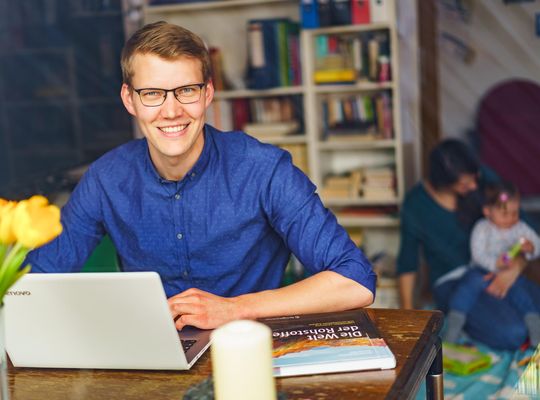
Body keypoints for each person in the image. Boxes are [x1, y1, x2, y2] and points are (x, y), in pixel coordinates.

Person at [26, 21, 376, 330]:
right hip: (153, 355)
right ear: (129, 100)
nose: (172, 110)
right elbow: (32, 282)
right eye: (152, 94)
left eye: (186, 90)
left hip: (251, 347)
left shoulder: (264, 169)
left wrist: (235, 309)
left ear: (207, 93)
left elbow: (355, 281)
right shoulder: (105, 179)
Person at [397, 138, 540, 350]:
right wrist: (407, 317)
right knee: (513, 332)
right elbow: (407, 263)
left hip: (499, 268)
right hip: (453, 280)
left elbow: (525, 226)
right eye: (465, 184)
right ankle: (461, 329)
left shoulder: (480, 178)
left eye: (475, 178)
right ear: (442, 181)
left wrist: (513, 269)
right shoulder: (416, 204)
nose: (474, 186)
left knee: (530, 309)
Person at [444, 181, 540, 346]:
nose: (511, 218)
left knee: (522, 294)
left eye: (515, 212)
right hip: (481, 271)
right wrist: (495, 266)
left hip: (510, 274)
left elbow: (537, 245)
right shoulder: (482, 228)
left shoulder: (520, 228)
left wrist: (531, 247)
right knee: (467, 287)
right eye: (505, 214)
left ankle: (534, 326)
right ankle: (456, 323)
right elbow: (478, 254)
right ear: (488, 211)